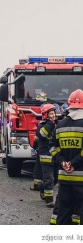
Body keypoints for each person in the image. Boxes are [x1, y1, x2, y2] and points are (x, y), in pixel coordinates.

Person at [49, 89, 83, 225]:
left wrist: (63, 162)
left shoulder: (60, 125)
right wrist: (74, 163)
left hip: (65, 179)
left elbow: (52, 147)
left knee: (63, 214)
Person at [36, 103, 58, 208]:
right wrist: (49, 123)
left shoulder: (56, 124)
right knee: (49, 178)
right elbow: (43, 135)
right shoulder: (41, 125)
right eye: (51, 113)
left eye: (54, 113)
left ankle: (42, 187)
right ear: (45, 115)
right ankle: (49, 200)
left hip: (56, 156)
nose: (53, 115)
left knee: (56, 178)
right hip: (46, 157)